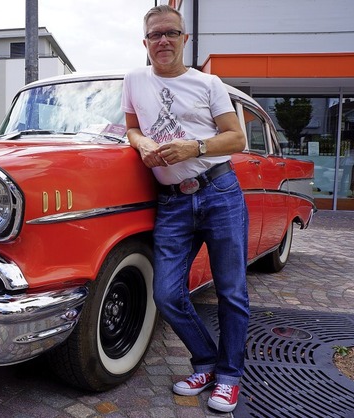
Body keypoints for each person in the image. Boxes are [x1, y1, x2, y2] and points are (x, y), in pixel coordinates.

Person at [121, 5, 249, 413]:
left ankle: (229, 376)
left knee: (231, 291)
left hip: (218, 191)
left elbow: (236, 139)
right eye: (155, 35)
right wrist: (140, 144)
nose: (162, 41)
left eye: (170, 33)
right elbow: (131, 126)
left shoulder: (209, 83)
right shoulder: (133, 79)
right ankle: (206, 361)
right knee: (167, 293)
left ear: (184, 39)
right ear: (145, 43)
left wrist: (194, 146)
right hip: (173, 201)